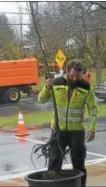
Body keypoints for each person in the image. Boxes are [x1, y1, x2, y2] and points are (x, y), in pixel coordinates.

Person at [38, 59, 98, 187]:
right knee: (54, 164)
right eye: (72, 76)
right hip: (58, 131)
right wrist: (47, 86)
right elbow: (41, 99)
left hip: (77, 132)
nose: (75, 79)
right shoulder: (56, 83)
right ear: (67, 72)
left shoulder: (86, 87)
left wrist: (92, 128)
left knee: (79, 165)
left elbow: (93, 109)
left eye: (78, 76)